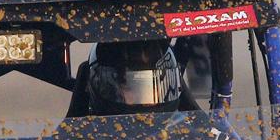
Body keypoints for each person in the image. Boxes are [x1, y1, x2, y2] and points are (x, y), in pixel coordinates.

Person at [66, 39, 197, 117]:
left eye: (153, 85)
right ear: (108, 87)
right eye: (133, 86)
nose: (145, 99)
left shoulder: (186, 135)